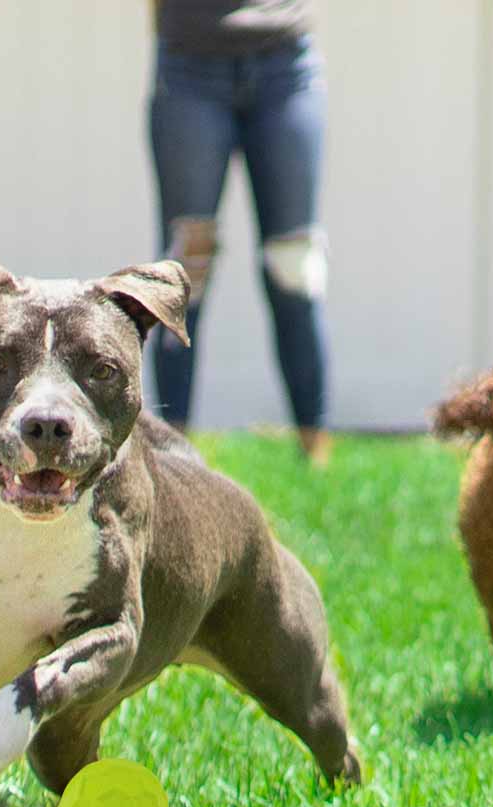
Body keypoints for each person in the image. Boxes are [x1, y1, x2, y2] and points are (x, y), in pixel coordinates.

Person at [148, 0, 332, 464]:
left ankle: (315, 454)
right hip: (189, 64)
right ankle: (172, 457)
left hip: (286, 63)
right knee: (183, 270)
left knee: (294, 265)